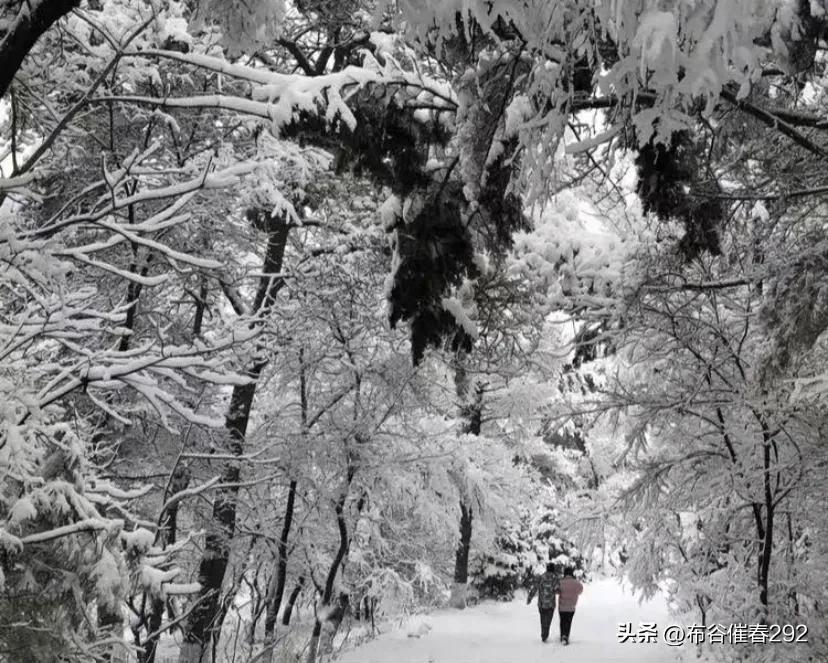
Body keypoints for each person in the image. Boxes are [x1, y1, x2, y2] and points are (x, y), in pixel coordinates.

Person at [526, 562, 560, 642]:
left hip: (541, 603)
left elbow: (535, 588)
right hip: (551, 604)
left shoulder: (541, 577)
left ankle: (543, 634)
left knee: (542, 619)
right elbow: (557, 590)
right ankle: (545, 633)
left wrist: (529, 598)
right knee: (548, 620)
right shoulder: (555, 578)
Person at [557, 566, 584, 645]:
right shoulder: (576, 583)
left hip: (562, 607)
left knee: (562, 621)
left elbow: (557, 591)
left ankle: (562, 635)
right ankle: (566, 636)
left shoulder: (560, 582)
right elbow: (581, 590)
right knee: (568, 622)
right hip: (571, 607)